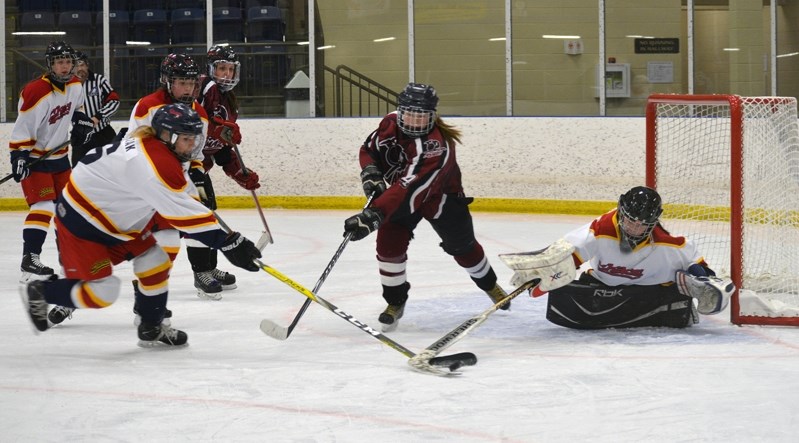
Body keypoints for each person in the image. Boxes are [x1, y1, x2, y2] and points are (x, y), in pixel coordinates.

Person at [19, 103, 263, 347]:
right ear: (167, 135)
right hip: (83, 225)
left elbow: (186, 200)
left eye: (194, 138)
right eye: (187, 138)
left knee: (155, 260)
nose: (193, 145)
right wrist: (230, 242)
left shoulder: (162, 152)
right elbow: (184, 215)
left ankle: (151, 326)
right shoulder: (153, 163)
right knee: (103, 292)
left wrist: (230, 240)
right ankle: (42, 292)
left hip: (117, 219)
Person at [342, 82, 510, 332]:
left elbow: (409, 189)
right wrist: (371, 171)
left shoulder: (435, 146)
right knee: (388, 247)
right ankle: (395, 302)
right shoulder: (389, 123)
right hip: (400, 195)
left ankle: (489, 285)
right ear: (399, 111)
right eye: (409, 114)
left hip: (440, 198)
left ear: (432, 117)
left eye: (421, 117)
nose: (414, 122)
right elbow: (368, 149)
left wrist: (374, 214)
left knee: (463, 247)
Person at [503, 186, 734, 329]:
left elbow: (695, 262)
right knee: (568, 298)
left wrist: (705, 280)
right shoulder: (599, 230)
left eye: (642, 224)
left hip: (648, 293)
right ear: (621, 211)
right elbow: (568, 256)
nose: (634, 228)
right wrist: (543, 279)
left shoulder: (667, 244)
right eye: (630, 220)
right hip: (604, 287)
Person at [187, 44, 261, 297]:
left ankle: (209, 267)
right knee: (197, 219)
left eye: (230, 69)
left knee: (208, 214)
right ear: (210, 68)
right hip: (180, 166)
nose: (227, 74)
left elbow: (219, 150)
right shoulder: (203, 87)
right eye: (221, 68)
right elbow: (191, 121)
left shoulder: (228, 98)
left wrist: (239, 172)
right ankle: (201, 272)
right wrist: (217, 127)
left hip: (198, 166)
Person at [8, 41, 83, 284]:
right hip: (35, 160)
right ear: (50, 65)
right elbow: (22, 129)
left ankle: (71, 258)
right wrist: (18, 157)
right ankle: (30, 261)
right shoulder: (35, 92)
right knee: (44, 207)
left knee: (68, 210)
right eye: (60, 62)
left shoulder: (75, 84)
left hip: (60, 159)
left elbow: (76, 111)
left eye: (68, 61)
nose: (65, 66)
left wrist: (82, 122)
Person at [69, 51, 121, 166]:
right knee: (78, 171)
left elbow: (114, 101)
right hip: (80, 136)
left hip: (103, 134)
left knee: (113, 167)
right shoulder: (68, 86)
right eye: (76, 66)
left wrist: (97, 117)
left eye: (81, 65)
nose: (79, 69)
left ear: (87, 65)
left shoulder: (99, 81)